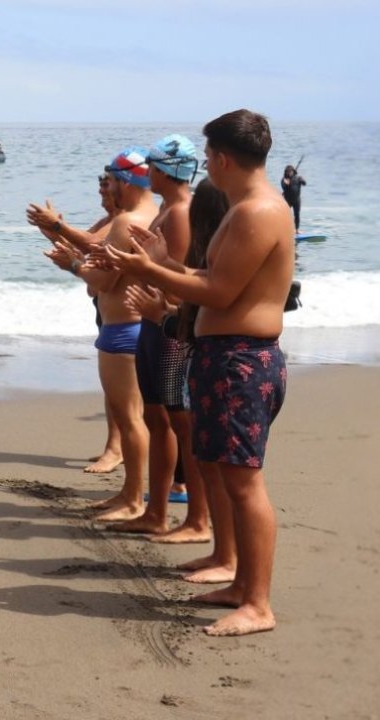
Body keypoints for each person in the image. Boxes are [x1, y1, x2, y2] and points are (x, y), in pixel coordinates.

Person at [104, 109, 294, 636]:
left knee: (244, 481)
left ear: (224, 158)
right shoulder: (242, 209)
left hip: (242, 359)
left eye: (208, 154)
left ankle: (257, 603)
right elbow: (213, 276)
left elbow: (220, 294)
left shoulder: (258, 211)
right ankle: (235, 575)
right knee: (218, 470)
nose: (204, 163)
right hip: (222, 355)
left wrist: (152, 271)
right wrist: (169, 262)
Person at [108, 134, 207, 540]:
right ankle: (157, 510)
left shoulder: (181, 211)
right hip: (152, 324)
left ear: (166, 170)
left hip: (169, 329)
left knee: (179, 425)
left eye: (152, 165)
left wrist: (159, 303)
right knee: (156, 418)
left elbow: (179, 279)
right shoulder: (168, 209)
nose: (147, 172)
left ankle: (196, 519)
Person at [76, 147, 158, 522]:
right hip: (137, 326)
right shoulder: (157, 215)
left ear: (126, 182)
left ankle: (133, 498)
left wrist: (73, 264)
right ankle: (131, 493)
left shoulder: (127, 223)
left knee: (130, 418)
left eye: (112, 181)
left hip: (123, 329)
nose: (108, 188)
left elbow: (104, 281)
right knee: (138, 416)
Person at [31, 174, 126, 474]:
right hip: (105, 308)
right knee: (113, 387)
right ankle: (114, 446)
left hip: (122, 315)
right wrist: (52, 231)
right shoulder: (105, 220)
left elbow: (92, 245)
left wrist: (59, 227)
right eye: (99, 183)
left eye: (106, 184)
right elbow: (84, 253)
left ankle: (116, 449)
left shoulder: (122, 221)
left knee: (120, 390)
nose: (101, 189)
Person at [280, 164, 306, 230]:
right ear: (285, 172)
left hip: (296, 200)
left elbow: (304, 183)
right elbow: (284, 188)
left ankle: (296, 230)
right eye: (287, 172)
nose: (289, 173)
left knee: (297, 215)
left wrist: (302, 180)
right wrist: (286, 184)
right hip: (287, 200)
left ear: (293, 171)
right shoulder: (284, 180)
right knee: (285, 215)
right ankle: (284, 229)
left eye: (290, 171)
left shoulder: (298, 178)